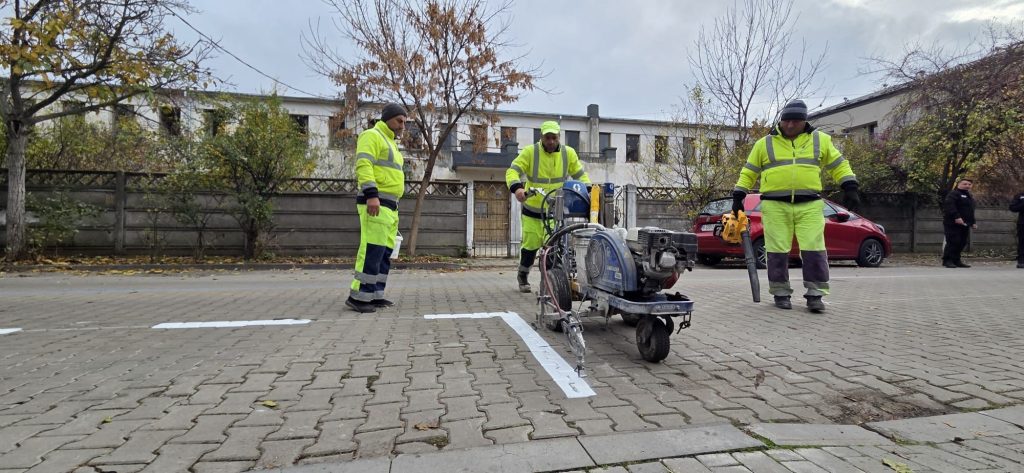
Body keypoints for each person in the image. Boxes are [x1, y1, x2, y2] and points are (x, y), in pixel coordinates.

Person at [733, 99, 859, 313]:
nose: (789, 125)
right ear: (780, 121)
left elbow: (838, 164)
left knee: (814, 248)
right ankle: (780, 293)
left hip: (809, 204)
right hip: (774, 205)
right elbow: (749, 171)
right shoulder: (765, 143)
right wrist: (739, 195)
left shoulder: (821, 140)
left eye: (795, 121)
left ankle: (815, 294)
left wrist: (850, 185)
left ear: (804, 122)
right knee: (776, 249)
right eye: (786, 121)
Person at [505, 120, 590, 293]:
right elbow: (512, 171)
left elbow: (581, 176)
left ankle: (550, 283)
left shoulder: (568, 154)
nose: (550, 141)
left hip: (555, 212)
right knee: (530, 246)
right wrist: (517, 188)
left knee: (553, 249)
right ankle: (523, 275)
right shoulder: (530, 152)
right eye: (547, 137)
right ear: (541, 137)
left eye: (554, 137)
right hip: (532, 211)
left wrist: (588, 192)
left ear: (559, 137)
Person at [346, 103, 408, 313]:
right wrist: (372, 195)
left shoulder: (391, 144)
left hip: (390, 206)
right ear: (387, 119)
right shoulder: (371, 136)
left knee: (384, 252)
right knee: (371, 249)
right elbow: (364, 165)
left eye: (404, 122)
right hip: (376, 203)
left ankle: (374, 294)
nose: (402, 125)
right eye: (399, 120)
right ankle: (359, 297)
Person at [941, 179, 976, 269]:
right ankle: (947, 260)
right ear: (959, 184)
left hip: (965, 224)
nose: (967, 185)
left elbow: (970, 211)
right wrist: (956, 217)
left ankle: (956, 260)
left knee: (962, 242)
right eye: (965, 184)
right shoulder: (953, 194)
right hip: (952, 223)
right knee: (953, 241)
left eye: (969, 184)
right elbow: (950, 206)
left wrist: (973, 222)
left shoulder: (969, 196)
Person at [1011, 191, 1024, 269]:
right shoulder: (1020, 195)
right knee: (1022, 242)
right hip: (1023, 223)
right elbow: (1012, 207)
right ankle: (1021, 261)